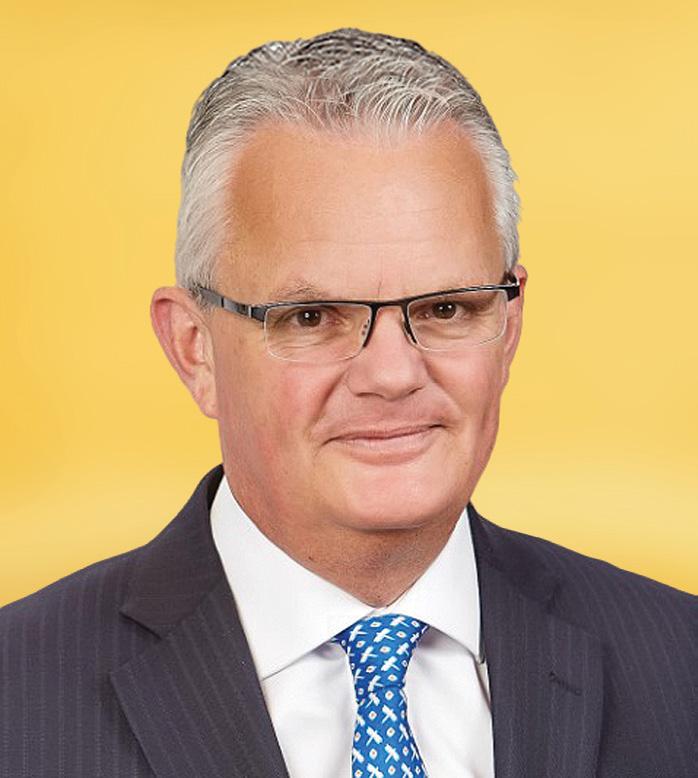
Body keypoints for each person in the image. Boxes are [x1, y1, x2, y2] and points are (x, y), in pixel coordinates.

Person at [1, 27, 695, 778]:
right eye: (311, 317)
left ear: (510, 324)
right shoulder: (18, 695)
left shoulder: (680, 665)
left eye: (446, 309)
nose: (392, 375)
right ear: (194, 348)